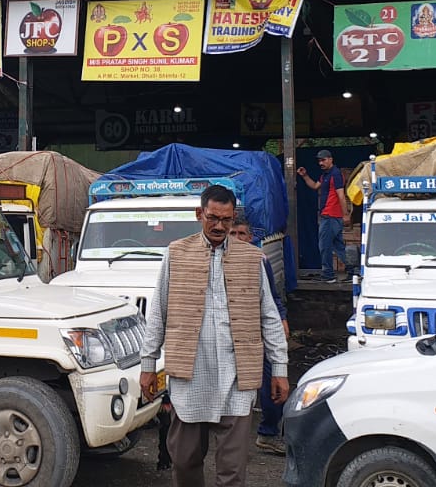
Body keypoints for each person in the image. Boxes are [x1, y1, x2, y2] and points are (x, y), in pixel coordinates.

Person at [139, 185, 290, 487]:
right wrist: (148, 364)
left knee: (232, 471)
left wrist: (280, 369)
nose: (220, 226)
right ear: (199, 214)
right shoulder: (176, 253)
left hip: (237, 378)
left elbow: (270, 317)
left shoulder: (253, 258)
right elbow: (158, 311)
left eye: (227, 219)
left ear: (234, 218)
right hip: (189, 376)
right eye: (213, 218)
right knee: (183, 461)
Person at [229, 218, 289, 456]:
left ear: (251, 236)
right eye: (232, 233)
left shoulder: (259, 260)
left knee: (272, 383)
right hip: (230, 336)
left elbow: (272, 297)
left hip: (257, 334)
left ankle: (268, 433)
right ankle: (232, 443)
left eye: (241, 233)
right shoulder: (216, 261)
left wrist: (282, 320)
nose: (236, 238)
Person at [297, 149, 351, 283]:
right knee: (338, 246)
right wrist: (305, 176)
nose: (321, 163)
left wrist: (345, 214)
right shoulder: (325, 175)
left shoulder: (335, 174)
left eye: (323, 160)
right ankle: (354, 271)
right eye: (319, 160)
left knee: (324, 246)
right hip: (330, 215)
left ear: (331, 159)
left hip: (331, 215)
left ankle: (328, 275)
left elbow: (341, 195)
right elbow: (315, 186)